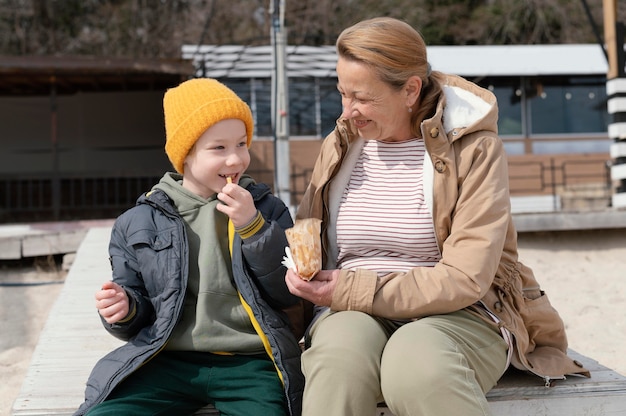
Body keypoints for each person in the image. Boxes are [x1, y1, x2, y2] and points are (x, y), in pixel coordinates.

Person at [284, 17, 590, 416]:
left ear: (410, 89)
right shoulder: (340, 145)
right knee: (339, 362)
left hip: (459, 312)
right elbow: (311, 236)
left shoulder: (473, 149)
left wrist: (353, 290)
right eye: (342, 94)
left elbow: (466, 278)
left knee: (416, 368)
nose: (348, 112)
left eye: (362, 97)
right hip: (349, 310)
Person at [75, 78, 304, 416]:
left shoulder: (268, 210)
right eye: (219, 148)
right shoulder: (140, 221)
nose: (235, 160)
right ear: (185, 154)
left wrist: (253, 228)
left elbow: (288, 293)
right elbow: (138, 306)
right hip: (166, 359)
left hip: (251, 361)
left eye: (241, 144)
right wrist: (124, 308)